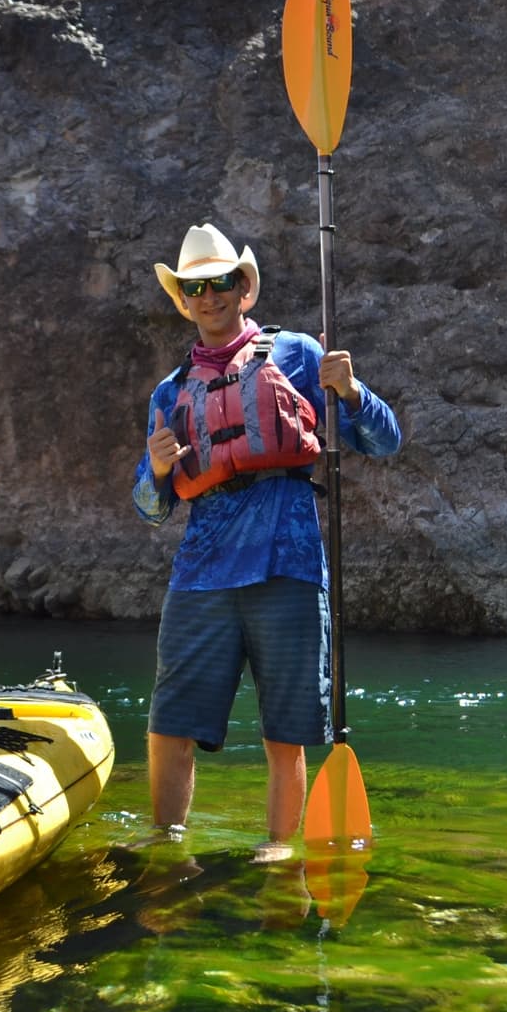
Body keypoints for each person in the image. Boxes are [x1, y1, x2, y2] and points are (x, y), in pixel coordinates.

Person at [133, 222, 402, 863]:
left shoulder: (300, 356)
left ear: (243, 289)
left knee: (287, 733)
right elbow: (150, 509)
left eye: (221, 283)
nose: (210, 297)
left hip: (288, 564)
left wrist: (352, 392)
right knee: (170, 726)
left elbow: (386, 440)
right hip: (201, 575)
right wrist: (160, 470)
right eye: (195, 287)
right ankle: (167, 845)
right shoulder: (170, 394)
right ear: (184, 299)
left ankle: (278, 850)